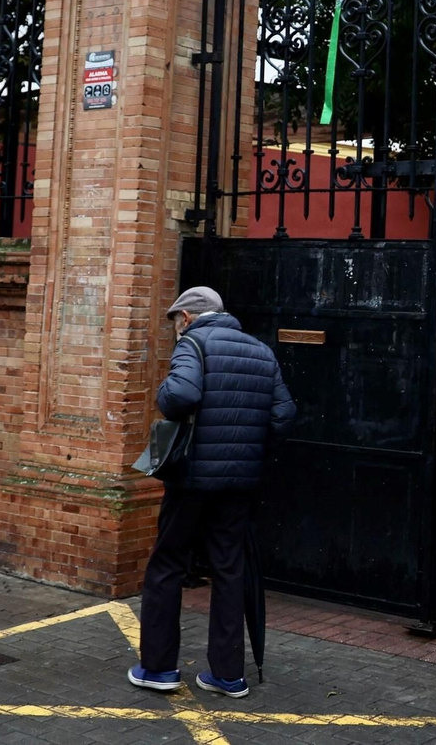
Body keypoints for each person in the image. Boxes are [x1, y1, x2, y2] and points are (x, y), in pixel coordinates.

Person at [127, 286, 296, 699]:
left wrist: (163, 394)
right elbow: (284, 415)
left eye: (175, 323)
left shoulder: (193, 344)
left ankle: (159, 668)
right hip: (239, 482)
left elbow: (181, 396)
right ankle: (227, 676)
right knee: (228, 568)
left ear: (186, 318)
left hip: (191, 479)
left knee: (168, 563)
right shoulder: (260, 351)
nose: (175, 331)